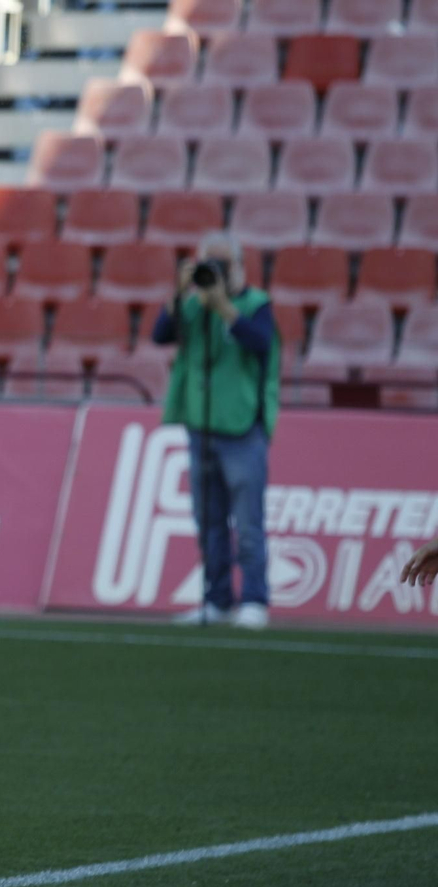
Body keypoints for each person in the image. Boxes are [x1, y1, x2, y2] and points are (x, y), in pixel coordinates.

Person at [154, 232, 281, 631]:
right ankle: (217, 598)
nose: (216, 273)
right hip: (201, 425)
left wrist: (225, 306)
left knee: (247, 522)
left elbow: (260, 343)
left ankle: (255, 599)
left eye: (223, 265)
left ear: (240, 267)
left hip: (242, 427)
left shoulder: (256, 305)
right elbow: (161, 334)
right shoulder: (193, 305)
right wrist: (179, 291)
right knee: (208, 520)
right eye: (210, 265)